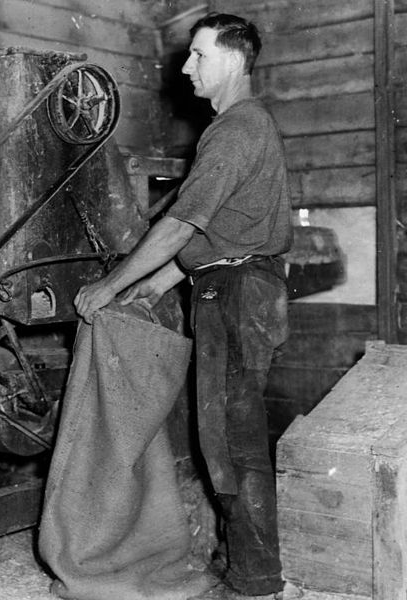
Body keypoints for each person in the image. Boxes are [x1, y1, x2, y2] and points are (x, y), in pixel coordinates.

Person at [74, 12, 291, 600]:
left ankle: (254, 582)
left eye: (198, 55)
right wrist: (154, 286)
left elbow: (178, 225)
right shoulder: (242, 128)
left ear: (233, 60)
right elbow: (213, 239)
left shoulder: (235, 130)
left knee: (231, 444)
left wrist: (111, 286)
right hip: (238, 286)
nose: (187, 67)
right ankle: (241, 564)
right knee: (230, 437)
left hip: (236, 296)